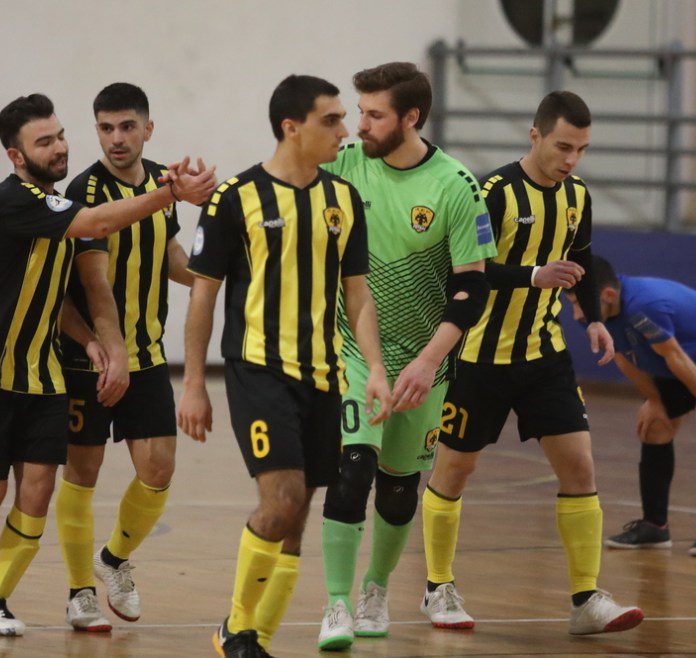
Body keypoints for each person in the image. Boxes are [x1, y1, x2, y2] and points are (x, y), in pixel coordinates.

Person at [0, 93, 216, 636]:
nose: (59, 147)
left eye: (59, 136)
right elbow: (97, 234)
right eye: (44, 141)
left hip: (45, 375)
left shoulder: (55, 204)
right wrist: (172, 190)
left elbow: (56, 296)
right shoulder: (18, 200)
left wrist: (90, 339)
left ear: (149, 128)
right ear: (15, 155)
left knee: (37, 492)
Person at [177, 74, 391, 658]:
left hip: (324, 375)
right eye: (331, 120)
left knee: (296, 518)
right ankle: (236, 630)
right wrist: (194, 384)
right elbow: (203, 296)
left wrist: (373, 365)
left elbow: (359, 295)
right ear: (290, 127)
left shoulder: (343, 199)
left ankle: (258, 640)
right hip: (258, 370)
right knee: (283, 500)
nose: (345, 131)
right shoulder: (234, 198)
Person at [421, 91, 644, 636]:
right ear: (535, 136)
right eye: (563, 146)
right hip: (478, 357)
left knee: (580, 469)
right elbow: (464, 269)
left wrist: (592, 317)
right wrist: (532, 276)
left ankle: (586, 600)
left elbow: (583, 258)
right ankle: (437, 586)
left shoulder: (577, 196)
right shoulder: (492, 192)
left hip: (544, 355)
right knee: (455, 470)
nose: (571, 159)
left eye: (582, 150)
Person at [312, 62, 495, 651]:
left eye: (374, 114)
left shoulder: (454, 186)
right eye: (358, 112)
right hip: (355, 352)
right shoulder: (344, 163)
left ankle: (375, 589)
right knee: (352, 469)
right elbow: (280, 178)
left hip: (426, 362)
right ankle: (337, 602)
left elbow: (472, 288)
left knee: (397, 488)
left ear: (410, 118)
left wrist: (427, 360)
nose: (359, 124)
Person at [54, 82, 211, 632]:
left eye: (126, 126)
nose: (116, 138)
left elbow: (167, 252)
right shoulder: (84, 188)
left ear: (149, 128)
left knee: (158, 468)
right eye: (105, 127)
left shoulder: (162, 182)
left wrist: (215, 281)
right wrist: (109, 353)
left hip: (146, 356)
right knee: (82, 473)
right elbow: (94, 284)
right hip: (90, 357)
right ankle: (79, 593)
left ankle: (113, 560)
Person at [566, 255, 696, 557]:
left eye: (580, 303)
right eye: (573, 304)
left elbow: (674, 356)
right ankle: (655, 527)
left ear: (608, 295)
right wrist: (654, 400)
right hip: (677, 357)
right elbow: (622, 357)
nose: (577, 313)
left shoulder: (645, 304)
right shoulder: (593, 316)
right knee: (655, 428)